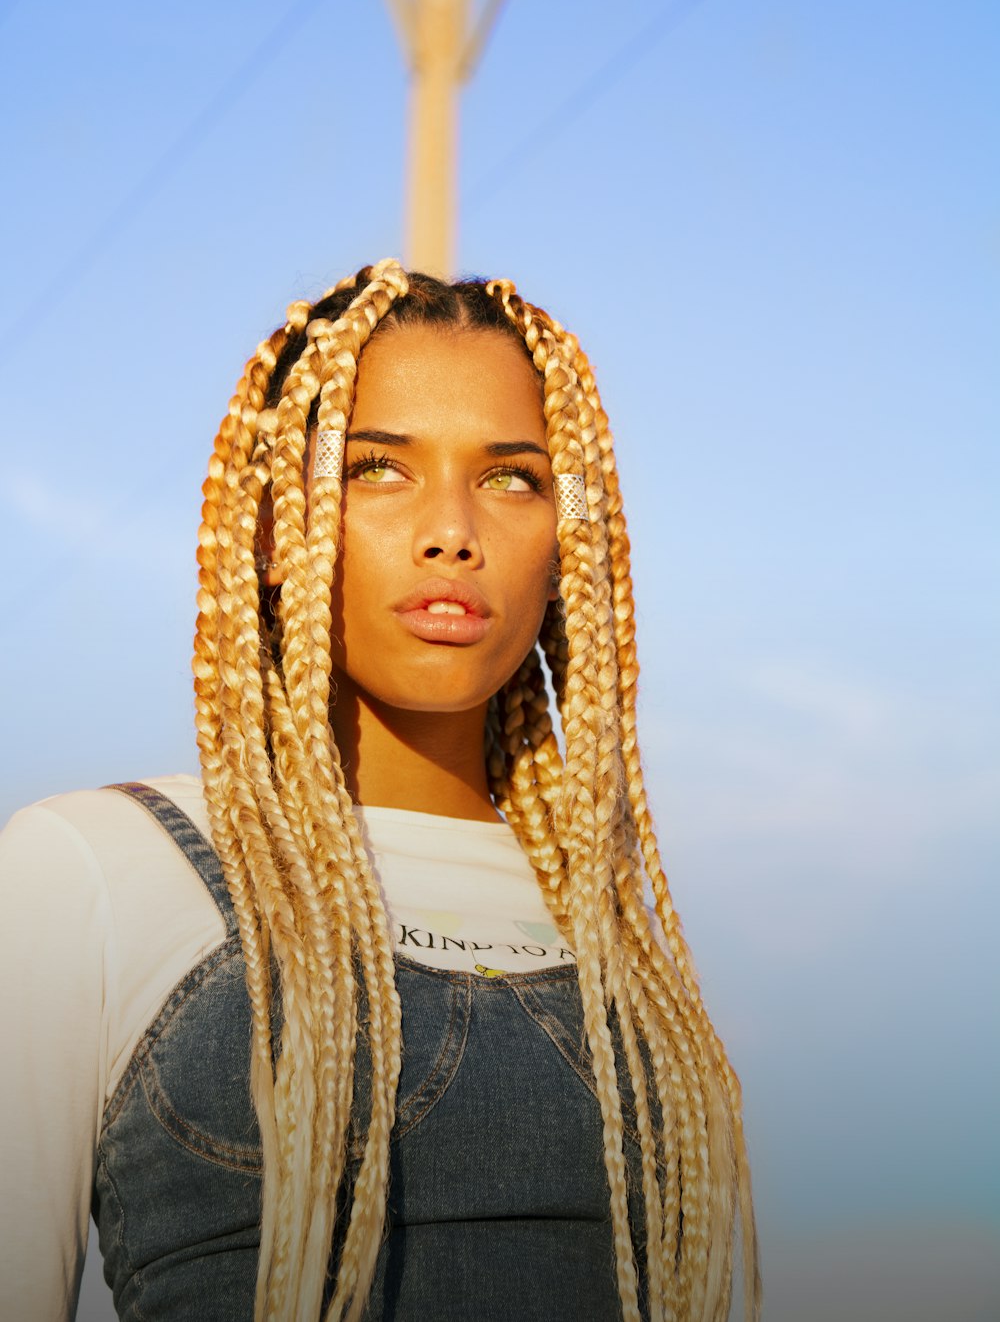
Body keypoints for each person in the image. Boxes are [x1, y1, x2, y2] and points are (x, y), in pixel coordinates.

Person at [0, 260, 760, 1322]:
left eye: (512, 479)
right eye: (375, 469)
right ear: (269, 530)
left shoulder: (617, 938)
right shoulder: (92, 870)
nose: (452, 531)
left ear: (566, 548)